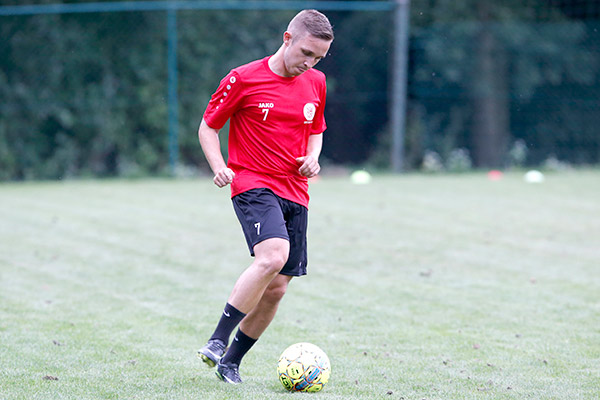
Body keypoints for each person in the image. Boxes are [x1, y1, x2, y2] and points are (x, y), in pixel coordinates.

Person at [196, 9, 334, 384]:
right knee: (274, 254)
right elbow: (208, 127)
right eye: (306, 52)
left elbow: (316, 128)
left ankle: (230, 363)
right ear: (287, 38)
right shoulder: (244, 78)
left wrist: (313, 157)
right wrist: (218, 166)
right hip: (253, 182)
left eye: (318, 58)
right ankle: (216, 341)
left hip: (296, 190)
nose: (310, 63)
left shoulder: (316, 82)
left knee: (276, 288)